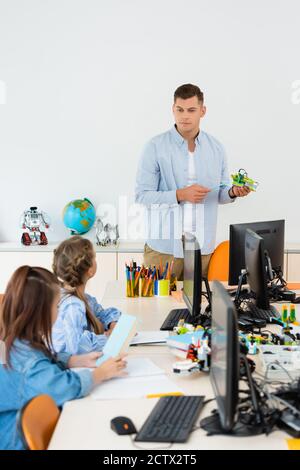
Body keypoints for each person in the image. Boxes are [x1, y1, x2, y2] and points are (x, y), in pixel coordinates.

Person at [0, 266, 127, 450]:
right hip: (15, 441)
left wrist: (71, 360)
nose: (59, 311)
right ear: (41, 311)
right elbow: (61, 387)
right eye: (57, 305)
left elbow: (41, 356)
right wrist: (99, 374)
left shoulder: (18, 340)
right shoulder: (30, 367)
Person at [135, 83, 250, 280]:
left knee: (200, 308)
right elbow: (142, 196)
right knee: (156, 309)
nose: (184, 116)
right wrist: (180, 194)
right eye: (179, 110)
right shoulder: (154, 147)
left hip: (201, 248)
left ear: (202, 111)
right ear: (173, 109)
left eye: (191, 110)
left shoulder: (216, 148)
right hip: (164, 250)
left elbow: (220, 192)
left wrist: (232, 192)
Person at [52, 236, 121, 355]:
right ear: (90, 270)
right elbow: (76, 346)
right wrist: (108, 338)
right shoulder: (72, 306)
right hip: (71, 367)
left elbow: (102, 314)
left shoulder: (85, 299)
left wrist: (112, 324)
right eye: (95, 257)